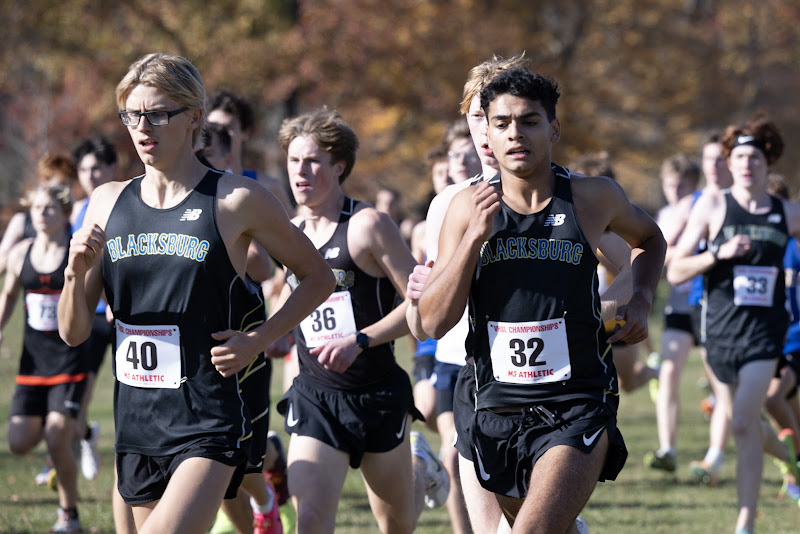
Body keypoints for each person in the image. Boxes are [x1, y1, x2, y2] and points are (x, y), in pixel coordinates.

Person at [57, 52, 335, 534]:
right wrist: (72, 275)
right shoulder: (106, 202)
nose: (143, 127)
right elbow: (73, 332)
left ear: (194, 119)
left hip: (207, 418)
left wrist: (258, 340)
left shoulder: (235, 200)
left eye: (158, 113)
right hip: (137, 423)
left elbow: (318, 277)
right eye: (132, 115)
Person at [417, 67, 666, 532]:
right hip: (495, 405)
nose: (516, 134)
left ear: (553, 128)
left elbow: (649, 240)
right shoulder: (465, 208)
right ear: (487, 133)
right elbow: (432, 322)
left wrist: (642, 299)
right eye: (503, 123)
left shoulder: (592, 197)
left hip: (576, 402)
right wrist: (472, 241)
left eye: (529, 121)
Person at [272, 107, 448, 533]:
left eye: (312, 161)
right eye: (294, 161)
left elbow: (421, 310)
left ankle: (418, 463)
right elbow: (282, 298)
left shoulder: (368, 226)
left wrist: (360, 341)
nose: (301, 171)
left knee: (397, 526)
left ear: (339, 166)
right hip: (315, 396)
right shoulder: (287, 233)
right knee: (310, 521)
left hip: (376, 395)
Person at [667, 117, 800, 533]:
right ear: (729, 162)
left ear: (768, 162)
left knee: (742, 421)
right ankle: (789, 457)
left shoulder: (787, 213)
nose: (746, 164)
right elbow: (675, 271)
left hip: (765, 334)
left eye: (754, 157)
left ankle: (744, 524)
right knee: (742, 419)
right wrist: (717, 254)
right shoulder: (712, 206)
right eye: (738, 156)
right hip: (719, 333)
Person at [1, 185, 86, 533]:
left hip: (68, 361)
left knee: (55, 437)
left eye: (50, 207)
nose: (42, 213)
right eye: (37, 207)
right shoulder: (21, 253)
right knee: (19, 443)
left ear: (64, 212)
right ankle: (68, 445)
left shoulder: (74, 251)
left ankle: (69, 514)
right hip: (32, 365)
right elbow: (7, 296)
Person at [644, 153, 704, 473]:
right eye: (670, 185)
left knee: (722, 381)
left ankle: (715, 452)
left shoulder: (710, 208)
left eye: (683, 185)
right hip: (678, 305)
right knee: (668, 372)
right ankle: (667, 448)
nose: (676, 191)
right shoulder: (665, 215)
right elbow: (661, 261)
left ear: (696, 185)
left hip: (709, 306)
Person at [69, 135, 120, 482]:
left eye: (98, 167)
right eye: (85, 169)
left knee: (128, 384)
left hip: (120, 312)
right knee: (80, 392)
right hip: (89, 311)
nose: (91, 175)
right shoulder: (74, 212)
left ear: (112, 169)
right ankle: (84, 437)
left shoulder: (123, 204)